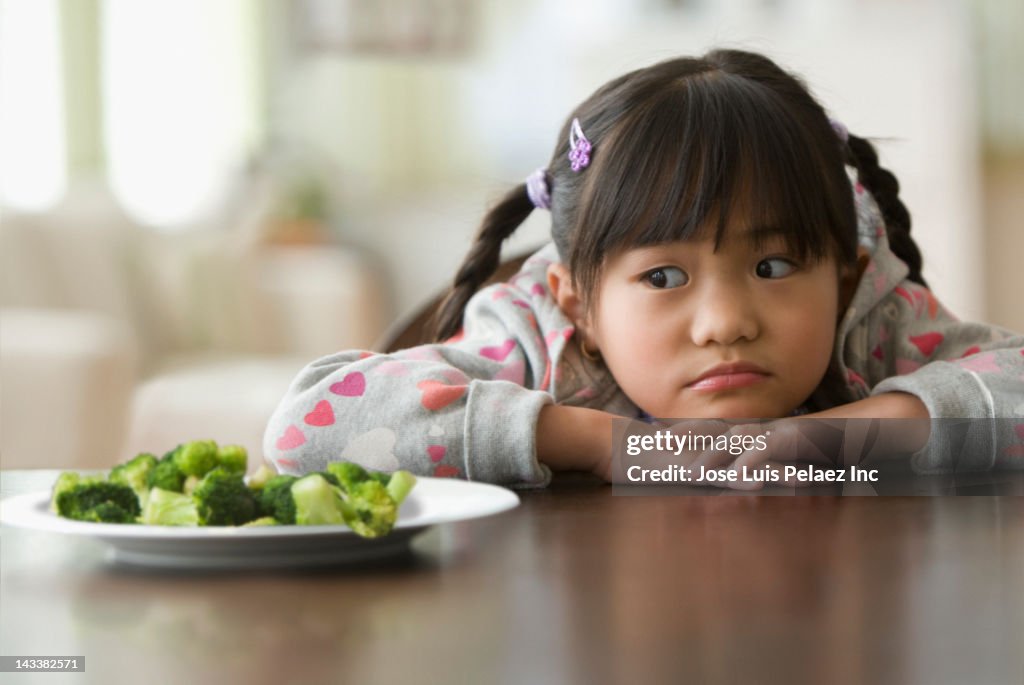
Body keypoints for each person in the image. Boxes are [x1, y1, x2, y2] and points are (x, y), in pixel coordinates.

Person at [264, 49, 1023, 487]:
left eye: (774, 262)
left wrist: (824, 441)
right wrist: (600, 443)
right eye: (664, 277)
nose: (727, 321)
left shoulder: (870, 323)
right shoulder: (540, 344)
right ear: (581, 305)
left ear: (847, 279)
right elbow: (304, 430)